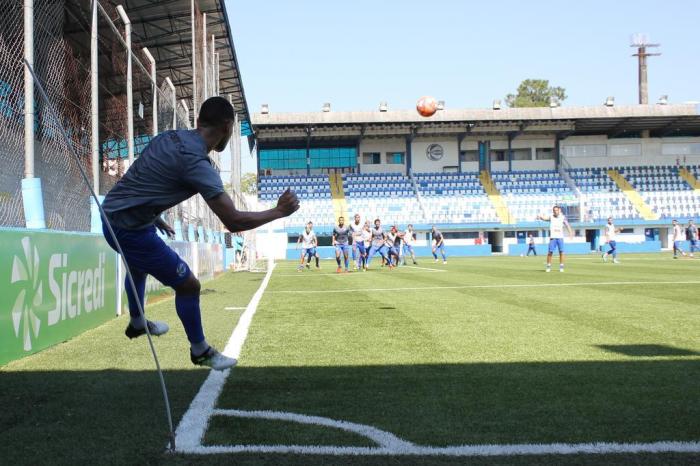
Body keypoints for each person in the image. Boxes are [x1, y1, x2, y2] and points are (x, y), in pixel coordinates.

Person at [101, 96, 299, 371]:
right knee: (189, 286)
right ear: (228, 126)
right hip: (127, 228)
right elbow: (233, 221)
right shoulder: (197, 163)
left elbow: (142, 180)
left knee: (137, 267)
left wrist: (153, 216)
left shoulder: (168, 137)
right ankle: (200, 350)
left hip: (113, 213)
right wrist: (278, 212)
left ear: (198, 122)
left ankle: (137, 323)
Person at [536, 205, 573, 272]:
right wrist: (540, 217)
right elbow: (545, 218)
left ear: (559, 210)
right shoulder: (551, 217)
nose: (555, 211)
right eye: (554, 210)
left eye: (556, 210)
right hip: (553, 238)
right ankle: (548, 266)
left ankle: (561, 266)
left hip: (560, 237)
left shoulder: (563, 217)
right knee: (550, 252)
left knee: (561, 252)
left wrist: (570, 233)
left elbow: (567, 225)